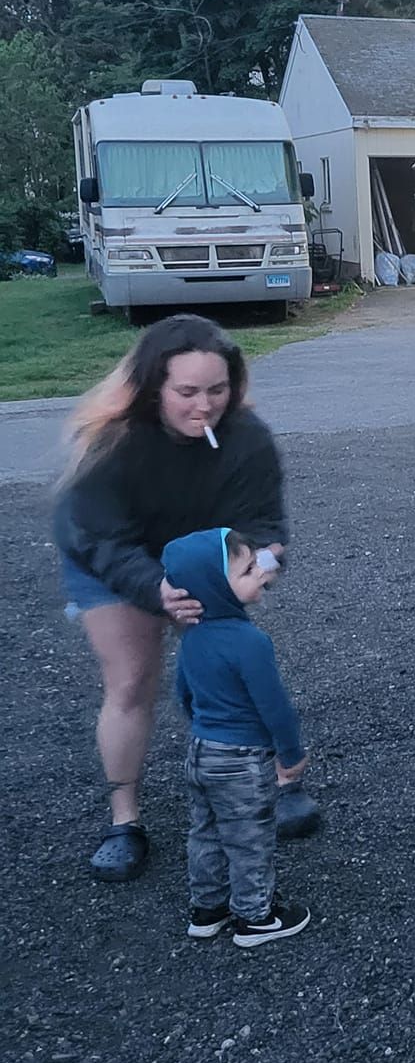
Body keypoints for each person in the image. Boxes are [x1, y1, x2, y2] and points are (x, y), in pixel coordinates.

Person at [54, 313, 303, 881]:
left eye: (217, 389)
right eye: (186, 392)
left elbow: (263, 527)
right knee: (132, 679)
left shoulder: (247, 437)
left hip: (200, 560)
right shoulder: (112, 441)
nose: (204, 406)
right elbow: (99, 537)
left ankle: (271, 784)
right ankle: (124, 819)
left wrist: (257, 568)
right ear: (154, 388)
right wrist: (155, 588)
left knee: (231, 670)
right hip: (114, 558)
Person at [164, 527, 311, 947]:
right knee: (249, 836)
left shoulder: (192, 636)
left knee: (205, 830)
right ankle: (256, 916)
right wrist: (290, 753)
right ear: (215, 585)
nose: (261, 573)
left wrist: (204, 726)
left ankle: (207, 909)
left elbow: (184, 693)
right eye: (248, 569)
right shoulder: (250, 642)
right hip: (241, 758)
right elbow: (274, 706)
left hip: (201, 750)